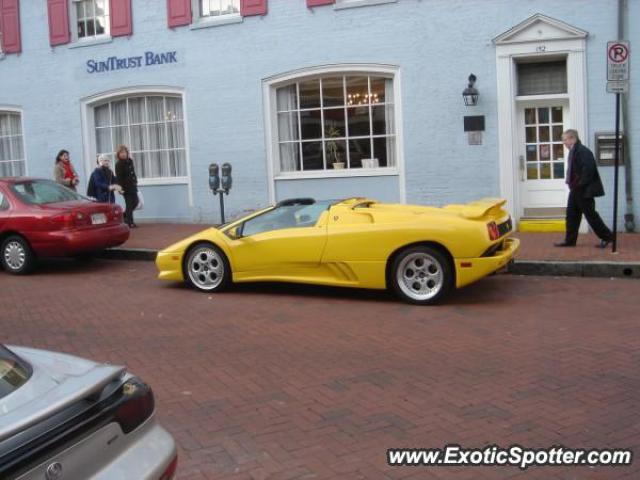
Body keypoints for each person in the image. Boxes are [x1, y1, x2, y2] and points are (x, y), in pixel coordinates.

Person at [555, 129, 613, 248]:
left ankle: (608, 237)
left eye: (565, 139)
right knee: (571, 215)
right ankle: (570, 240)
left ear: (572, 138)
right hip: (576, 189)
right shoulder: (573, 151)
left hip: (584, 190)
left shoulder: (583, 151)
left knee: (590, 215)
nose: (563, 142)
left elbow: (589, 170)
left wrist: (579, 184)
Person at [114, 145, 139, 228]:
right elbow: (119, 177)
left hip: (133, 186)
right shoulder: (118, 164)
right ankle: (130, 222)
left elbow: (132, 172)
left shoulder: (130, 161)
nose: (123, 154)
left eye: (124, 152)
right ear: (118, 154)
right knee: (129, 204)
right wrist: (120, 188)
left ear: (127, 153)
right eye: (121, 153)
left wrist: (135, 180)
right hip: (125, 188)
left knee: (135, 202)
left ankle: (124, 216)